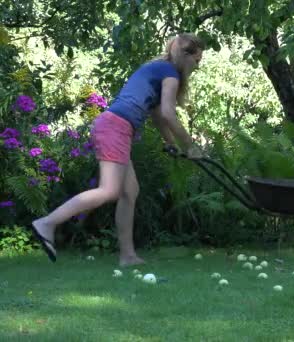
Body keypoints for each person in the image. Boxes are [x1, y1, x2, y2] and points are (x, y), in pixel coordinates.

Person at [31, 33, 206, 266]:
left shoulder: (158, 69)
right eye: (197, 60)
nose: (198, 65)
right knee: (109, 191)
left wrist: (171, 145)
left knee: (129, 191)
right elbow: (168, 113)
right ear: (187, 55)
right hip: (116, 127)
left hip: (114, 126)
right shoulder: (170, 74)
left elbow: (158, 117)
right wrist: (191, 146)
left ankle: (127, 256)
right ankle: (47, 223)